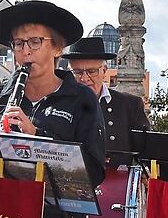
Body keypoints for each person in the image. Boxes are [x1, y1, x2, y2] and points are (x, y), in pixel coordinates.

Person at [0, 0, 106, 218]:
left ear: (57, 48)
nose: (25, 51)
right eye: (18, 43)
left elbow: (93, 170)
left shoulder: (80, 99)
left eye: (35, 41)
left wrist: (37, 136)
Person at [60, 36, 150, 168]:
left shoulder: (130, 104)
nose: (85, 78)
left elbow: (147, 151)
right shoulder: (58, 104)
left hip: (117, 184)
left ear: (104, 70)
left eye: (92, 71)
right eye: (77, 72)